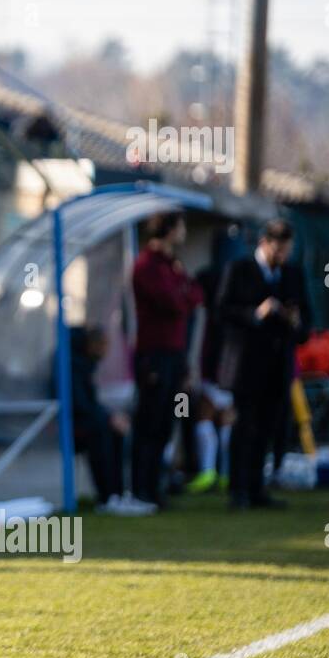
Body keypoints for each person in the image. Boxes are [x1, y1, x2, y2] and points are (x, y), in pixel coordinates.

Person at [215, 219, 310, 510]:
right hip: (245, 365)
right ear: (265, 243)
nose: (283, 256)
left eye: (287, 251)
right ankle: (238, 490)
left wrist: (295, 323)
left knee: (268, 427)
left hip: (277, 366)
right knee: (244, 426)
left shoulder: (293, 275)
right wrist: (256, 313)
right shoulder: (239, 270)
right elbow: (221, 311)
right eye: (279, 249)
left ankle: (257, 489)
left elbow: (306, 323)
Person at [130, 212, 203, 508]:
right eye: (181, 226)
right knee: (149, 421)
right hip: (154, 356)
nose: (184, 232)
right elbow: (173, 302)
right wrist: (183, 294)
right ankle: (139, 489)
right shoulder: (147, 265)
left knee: (164, 424)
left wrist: (183, 292)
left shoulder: (173, 265)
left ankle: (155, 487)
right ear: (170, 230)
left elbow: (195, 295)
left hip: (174, 354)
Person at [186, 225, 241, 495]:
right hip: (221, 357)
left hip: (225, 357)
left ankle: (215, 472)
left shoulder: (215, 280)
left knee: (212, 413)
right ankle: (217, 473)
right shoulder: (214, 281)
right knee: (214, 413)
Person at [68, 326, 146, 516]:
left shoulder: (84, 365)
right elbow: (80, 405)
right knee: (103, 432)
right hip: (70, 427)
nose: (105, 351)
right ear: (91, 345)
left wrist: (111, 417)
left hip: (86, 422)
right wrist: (109, 418)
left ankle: (118, 494)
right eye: (102, 345)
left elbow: (90, 404)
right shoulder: (72, 365)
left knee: (115, 431)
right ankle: (108, 496)